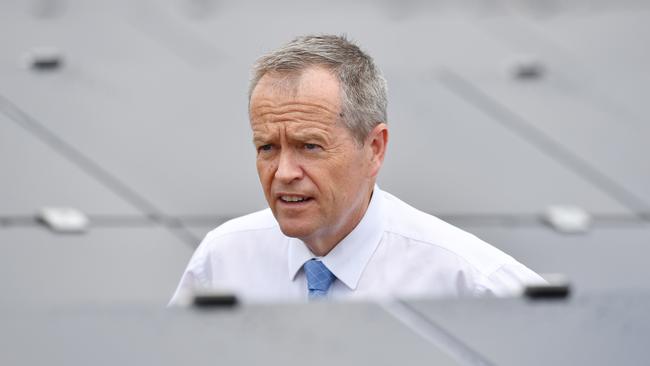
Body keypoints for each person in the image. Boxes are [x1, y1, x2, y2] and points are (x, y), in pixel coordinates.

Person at [170, 34, 544, 304]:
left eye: (309, 146)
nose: (283, 172)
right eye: (267, 147)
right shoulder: (223, 260)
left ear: (374, 148)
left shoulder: (469, 281)